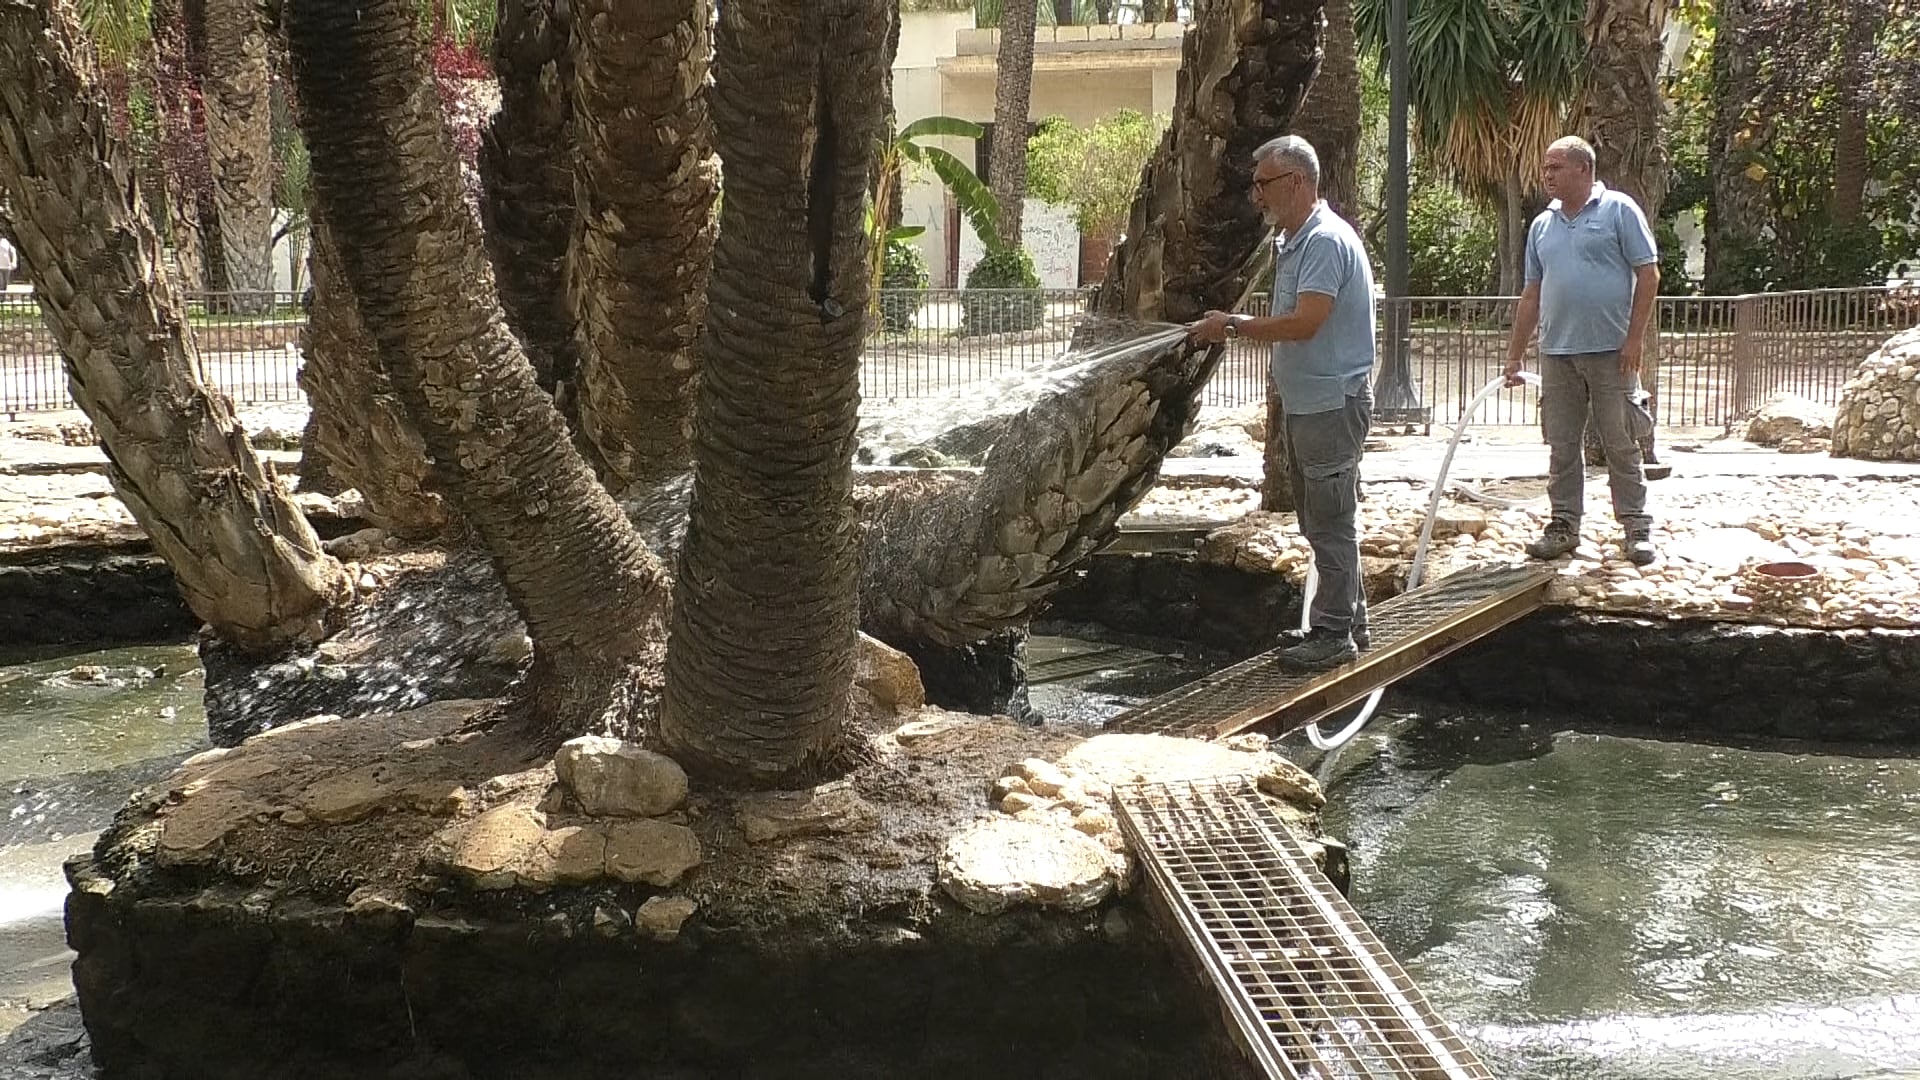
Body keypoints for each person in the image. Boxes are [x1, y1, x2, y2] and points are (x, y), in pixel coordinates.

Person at [1191, 135, 1375, 671]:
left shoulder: (1323, 242)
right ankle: (1345, 623)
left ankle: (1335, 635)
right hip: (1308, 404)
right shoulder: (1294, 241)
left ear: (1296, 182)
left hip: (1330, 405)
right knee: (1320, 520)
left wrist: (1232, 326)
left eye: (1264, 184)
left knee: (1330, 520)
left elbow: (1306, 321)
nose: (1257, 196)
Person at [1503, 135, 1660, 566]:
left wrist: (1634, 339)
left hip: (1612, 352)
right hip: (1558, 353)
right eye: (1546, 167)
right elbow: (1532, 293)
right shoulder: (1542, 225)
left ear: (1583, 169)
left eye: (1556, 167)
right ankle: (1564, 525)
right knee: (1562, 444)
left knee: (1621, 440)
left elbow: (1648, 275)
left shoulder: (1619, 210)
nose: (1546, 174)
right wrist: (1516, 354)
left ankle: (1636, 527)